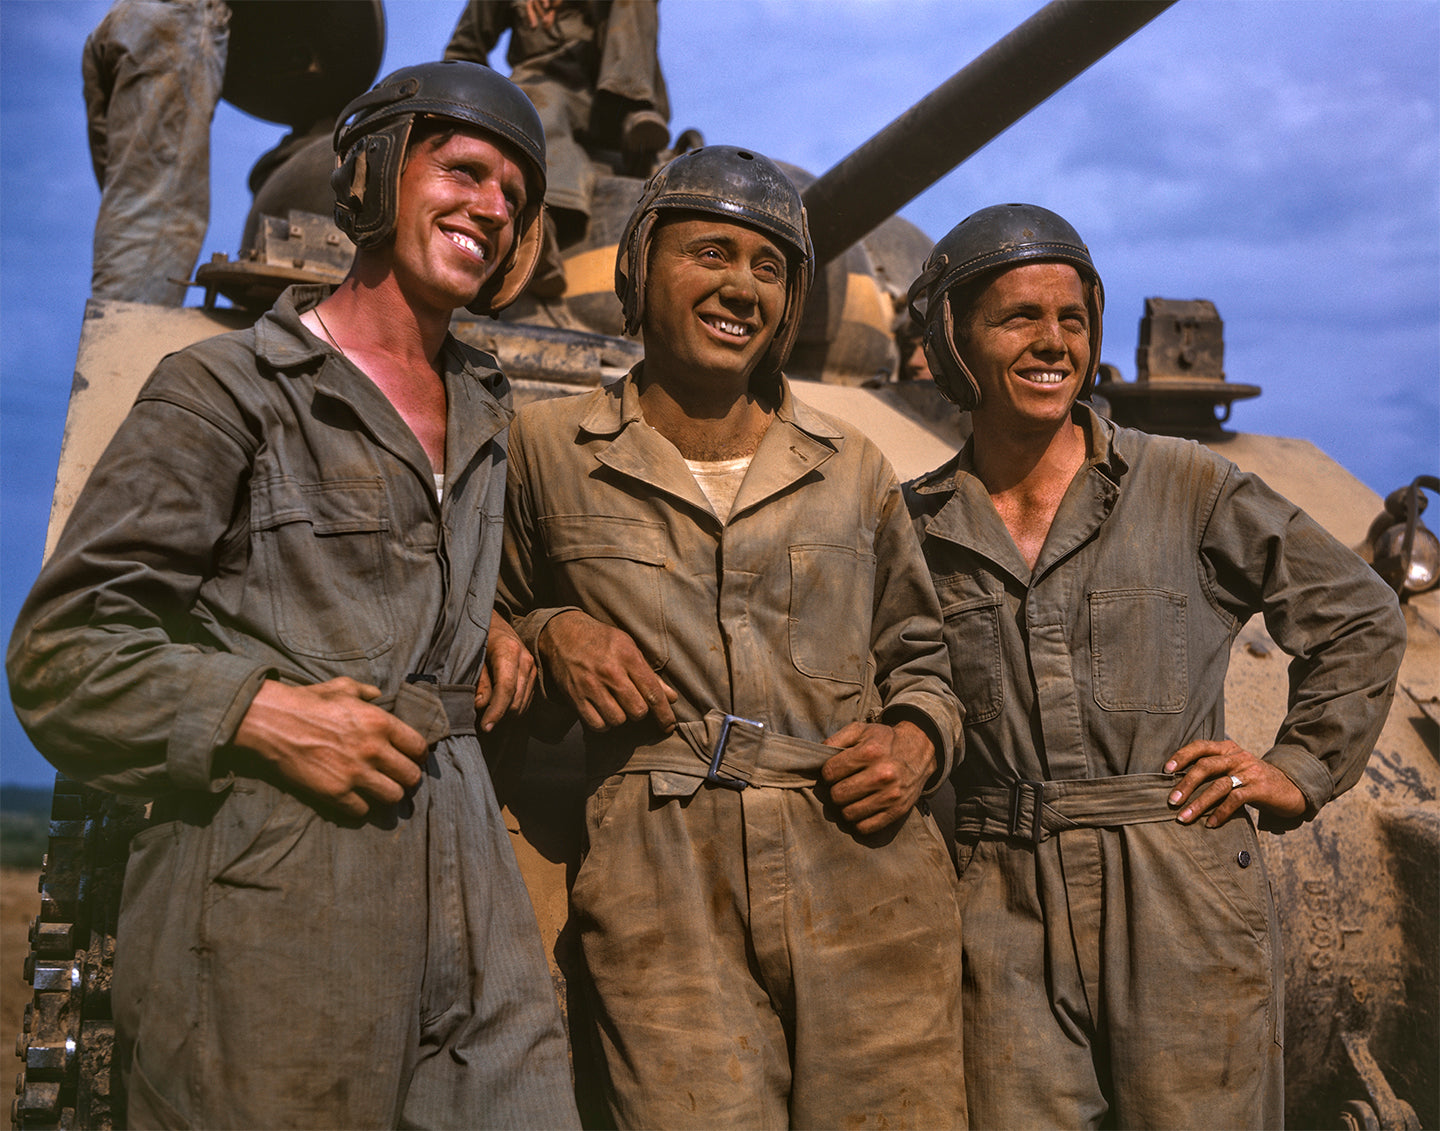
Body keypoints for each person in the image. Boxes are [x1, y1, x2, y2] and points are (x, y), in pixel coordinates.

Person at [9, 61, 580, 1129]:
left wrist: (500, 620)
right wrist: (258, 713)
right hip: (278, 882)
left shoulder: (489, 408)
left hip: (472, 885)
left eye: (516, 194)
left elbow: (409, 572)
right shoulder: (230, 391)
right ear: (370, 179)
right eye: (463, 170)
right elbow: (65, 653)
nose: (494, 209)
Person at [903, 203, 1406, 1129]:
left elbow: (1360, 615)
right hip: (998, 900)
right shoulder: (914, 525)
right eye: (1019, 317)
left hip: (1177, 887)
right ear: (953, 340)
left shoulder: (1184, 484)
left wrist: (1296, 768)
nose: (1054, 340)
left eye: (1072, 318)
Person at [497, 145, 967, 1129]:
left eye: (769, 267)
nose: (740, 287)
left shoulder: (853, 465)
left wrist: (918, 739)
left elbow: (922, 657)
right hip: (661, 878)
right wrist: (551, 631)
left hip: (865, 868)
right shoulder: (544, 450)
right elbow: (467, 625)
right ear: (640, 267)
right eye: (711, 252)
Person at [445, 0, 670, 296]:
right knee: (534, 108)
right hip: (544, 87)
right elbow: (463, 53)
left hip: (619, 107)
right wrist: (483, 112)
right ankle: (536, 235)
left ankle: (635, 105)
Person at [83, 0, 230, 305]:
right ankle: (125, 347)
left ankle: (116, 335)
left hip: (128, 19)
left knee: (131, 196)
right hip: (179, 22)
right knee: (155, 207)